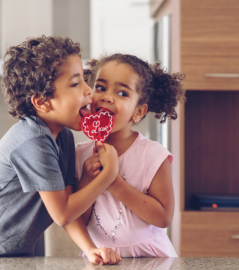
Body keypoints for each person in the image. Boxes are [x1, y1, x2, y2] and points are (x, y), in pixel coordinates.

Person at [0, 36, 121, 265]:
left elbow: (67, 209)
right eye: (75, 84)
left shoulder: (63, 137)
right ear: (42, 103)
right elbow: (62, 212)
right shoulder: (33, 141)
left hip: (9, 256)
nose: (88, 91)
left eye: (84, 80)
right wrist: (109, 175)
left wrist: (90, 248)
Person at [76, 53, 185, 257]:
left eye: (122, 93)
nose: (107, 96)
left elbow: (163, 218)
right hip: (100, 255)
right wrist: (86, 180)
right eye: (100, 87)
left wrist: (113, 181)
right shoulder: (80, 154)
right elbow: (78, 220)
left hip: (150, 258)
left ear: (138, 112)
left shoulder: (152, 154)